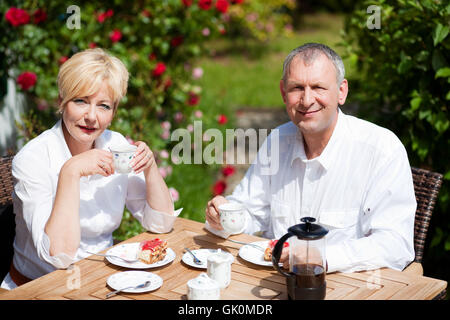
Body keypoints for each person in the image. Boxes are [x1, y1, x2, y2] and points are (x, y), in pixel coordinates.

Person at [205, 43, 416, 273]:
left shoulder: (381, 149)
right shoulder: (276, 142)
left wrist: (321, 257)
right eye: (297, 88)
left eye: (318, 87)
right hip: (272, 284)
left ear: (342, 92)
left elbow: (396, 245)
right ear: (284, 93)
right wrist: (225, 216)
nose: (307, 100)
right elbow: (252, 212)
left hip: (350, 288)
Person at [1, 48, 181, 290]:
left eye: (104, 106)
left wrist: (150, 169)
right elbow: (59, 255)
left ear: (114, 112)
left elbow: (161, 224)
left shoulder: (116, 147)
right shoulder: (33, 159)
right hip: (38, 289)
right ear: (61, 101)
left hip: (102, 282)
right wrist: (71, 171)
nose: (92, 117)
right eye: (81, 101)